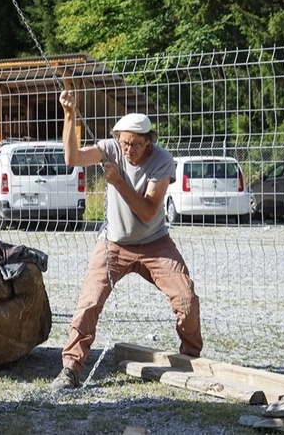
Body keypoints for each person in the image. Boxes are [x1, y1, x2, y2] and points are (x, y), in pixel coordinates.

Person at [50, 89, 203, 391]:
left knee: (186, 299)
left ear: (149, 142)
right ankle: (70, 367)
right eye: (124, 142)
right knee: (89, 302)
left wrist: (118, 181)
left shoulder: (162, 162)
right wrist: (69, 114)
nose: (128, 149)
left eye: (135, 144)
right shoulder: (111, 147)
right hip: (113, 244)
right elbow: (72, 158)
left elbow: (148, 212)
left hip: (155, 243)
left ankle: (190, 358)